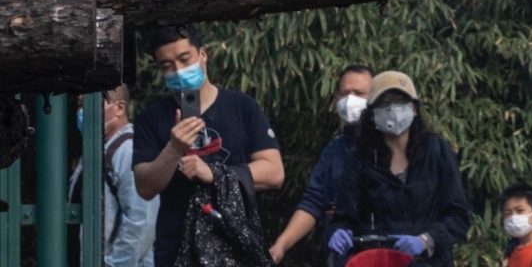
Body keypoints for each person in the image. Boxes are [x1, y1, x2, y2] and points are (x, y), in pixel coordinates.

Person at [132, 24, 285, 266]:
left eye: (185, 59)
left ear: (203, 54)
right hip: (176, 250)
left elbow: (274, 173)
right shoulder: (151, 118)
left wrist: (214, 173)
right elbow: (145, 186)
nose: (178, 71)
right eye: (167, 65)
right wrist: (173, 149)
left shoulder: (242, 107)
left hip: (236, 245)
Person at [326, 71, 471, 266]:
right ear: (372, 113)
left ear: (414, 107)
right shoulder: (360, 160)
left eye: (400, 101)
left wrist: (427, 240)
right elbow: (343, 217)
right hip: (378, 260)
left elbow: (459, 216)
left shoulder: (437, 152)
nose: (393, 108)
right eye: (384, 103)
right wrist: (338, 232)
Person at [269, 64, 373, 264]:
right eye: (345, 93)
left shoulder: (393, 149)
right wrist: (281, 245)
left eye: (359, 94)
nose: (351, 100)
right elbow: (313, 202)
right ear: (335, 99)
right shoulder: (334, 151)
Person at [68, 85, 159, 267]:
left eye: (91, 104)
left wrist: (116, 264)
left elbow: (141, 219)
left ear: (119, 108)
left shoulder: (129, 150)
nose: (82, 112)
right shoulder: (97, 150)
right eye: (80, 105)